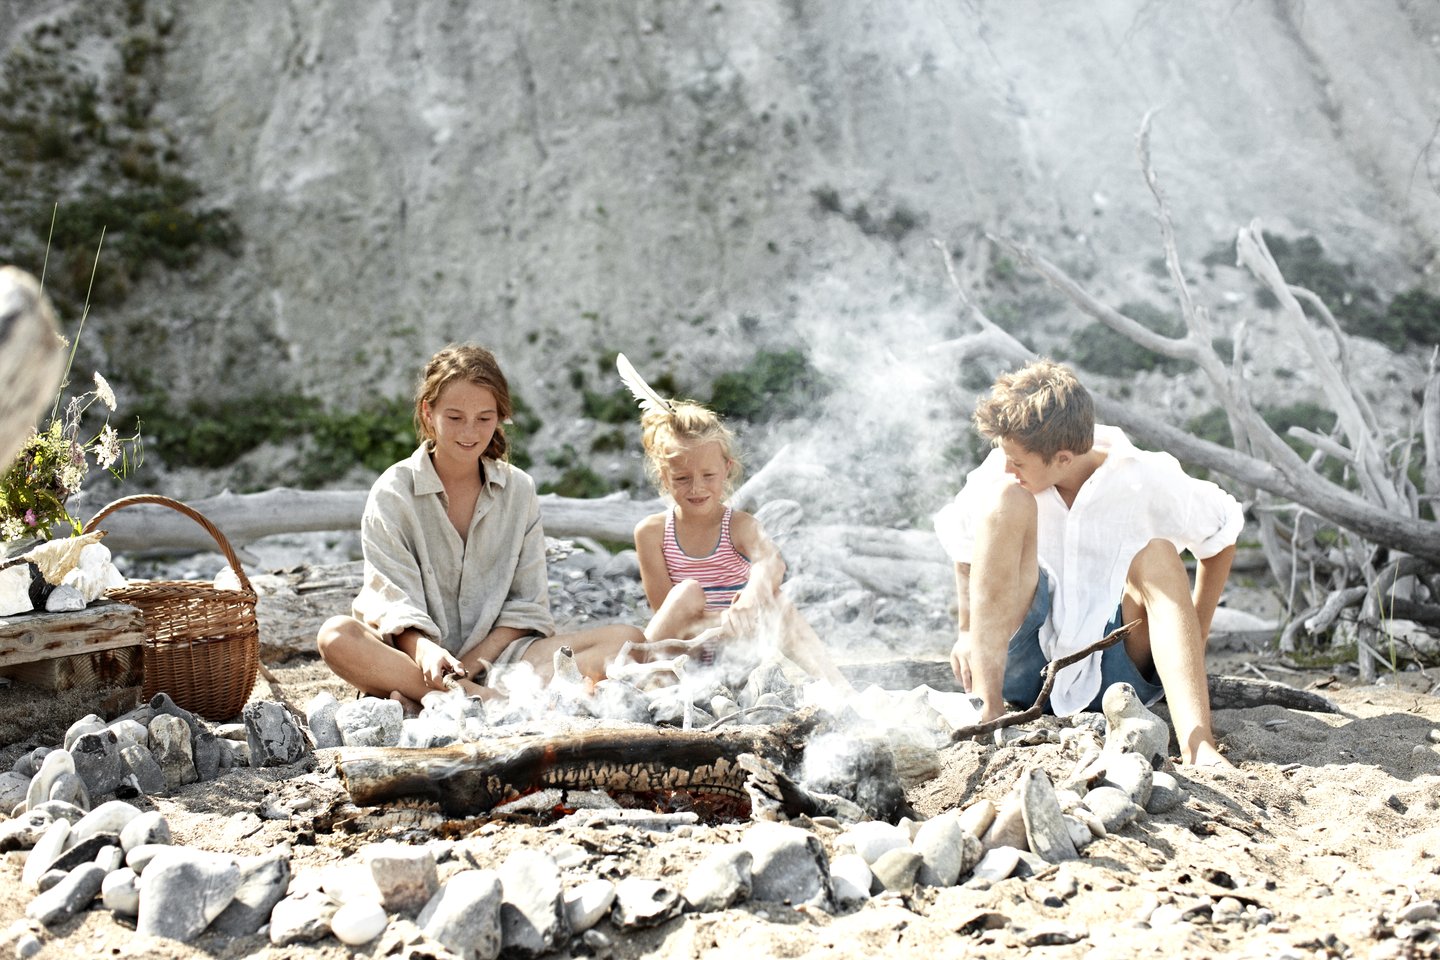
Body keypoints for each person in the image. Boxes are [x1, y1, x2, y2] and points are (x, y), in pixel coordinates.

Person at [934, 359, 1242, 766]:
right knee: (1005, 499)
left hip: (1120, 672)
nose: (1008, 467)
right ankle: (989, 711)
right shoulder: (1005, 471)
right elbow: (962, 538)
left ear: (1063, 458)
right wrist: (965, 630)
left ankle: (1198, 745)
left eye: (1019, 462)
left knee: (1158, 554)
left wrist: (1194, 638)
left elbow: (1222, 532)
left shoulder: (1145, 476)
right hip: (1025, 666)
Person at [317, 344, 643, 707]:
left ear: (500, 417)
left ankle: (443, 700)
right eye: (455, 417)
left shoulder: (519, 490)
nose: (470, 432)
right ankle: (487, 702)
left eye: (484, 418)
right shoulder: (393, 492)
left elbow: (527, 604)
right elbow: (391, 599)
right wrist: (426, 652)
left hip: (502, 661)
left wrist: (469, 668)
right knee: (335, 636)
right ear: (428, 413)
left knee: (628, 640)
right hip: (415, 659)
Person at [622, 357, 851, 689]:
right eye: (682, 478)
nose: (697, 488)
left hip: (736, 654)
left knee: (777, 602)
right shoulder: (651, 533)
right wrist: (716, 622)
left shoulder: (740, 526)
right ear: (664, 476)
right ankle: (638, 683)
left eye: (708, 475)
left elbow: (772, 563)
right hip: (681, 655)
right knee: (687, 592)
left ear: (727, 469)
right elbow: (664, 612)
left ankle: (839, 688)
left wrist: (747, 601)